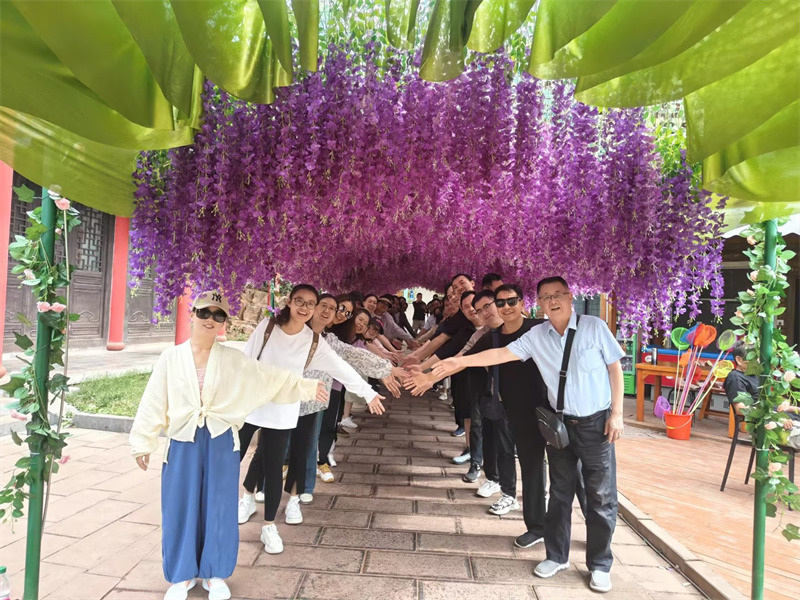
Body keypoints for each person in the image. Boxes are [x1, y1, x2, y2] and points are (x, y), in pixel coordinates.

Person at [434, 276, 624, 594]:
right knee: (560, 494)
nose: (552, 301)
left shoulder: (593, 326)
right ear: (539, 303)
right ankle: (557, 556)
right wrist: (457, 362)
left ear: (570, 296)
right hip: (560, 425)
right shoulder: (537, 335)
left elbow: (614, 367)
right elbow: (499, 355)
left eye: (558, 294)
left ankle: (600, 564)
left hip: (596, 424)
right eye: (546, 296)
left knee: (601, 497)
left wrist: (617, 414)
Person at [130, 291, 326, 600]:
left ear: (224, 321)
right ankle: (181, 575)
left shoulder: (233, 359)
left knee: (219, 505)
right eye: (204, 312)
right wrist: (143, 440)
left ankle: (215, 573)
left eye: (218, 314)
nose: (210, 320)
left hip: (221, 439)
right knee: (180, 504)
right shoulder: (170, 358)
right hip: (182, 440)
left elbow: (267, 378)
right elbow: (154, 399)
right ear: (193, 314)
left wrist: (307, 387)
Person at [237, 285, 385, 555]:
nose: (304, 308)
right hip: (253, 406)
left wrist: (369, 392)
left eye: (309, 303)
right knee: (231, 458)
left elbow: (343, 369)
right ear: (289, 302)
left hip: (283, 412)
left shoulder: (314, 342)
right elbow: (245, 363)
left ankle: (269, 527)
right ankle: (236, 503)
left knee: (273, 469)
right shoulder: (268, 327)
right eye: (299, 301)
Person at [725, 341, 800, 449]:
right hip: (767, 424)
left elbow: (774, 406)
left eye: (759, 358)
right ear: (739, 360)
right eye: (753, 358)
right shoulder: (735, 378)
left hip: (784, 418)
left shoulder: (758, 376)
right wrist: (778, 419)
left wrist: (796, 409)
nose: (758, 362)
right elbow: (741, 409)